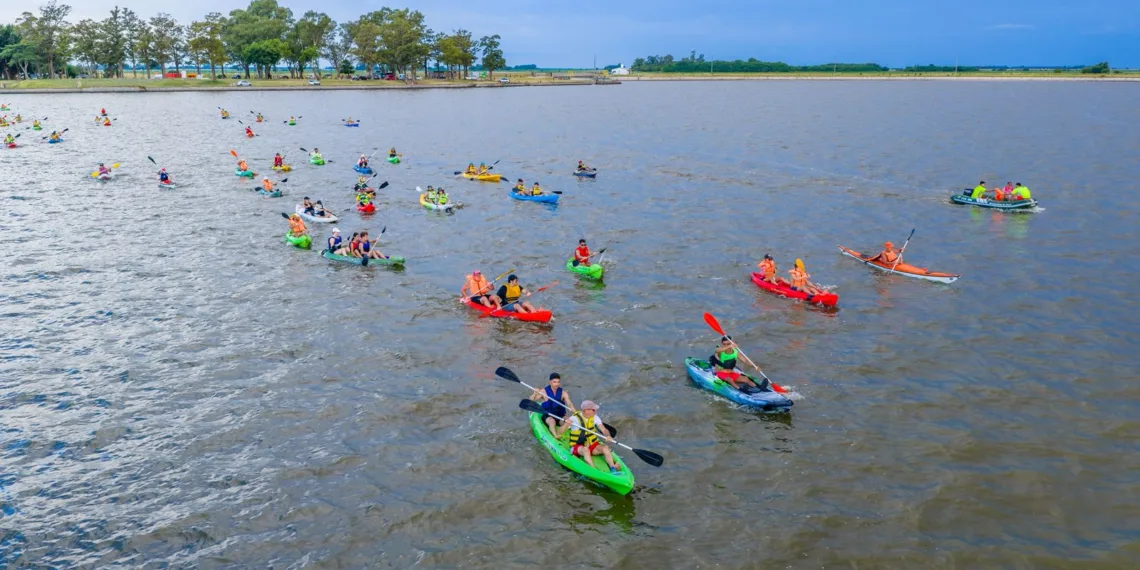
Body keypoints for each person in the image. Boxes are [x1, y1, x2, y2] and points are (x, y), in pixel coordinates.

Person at [556, 400, 621, 474]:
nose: (595, 411)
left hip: (591, 445)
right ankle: (594, 470)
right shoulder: (574, 419)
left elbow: (603, 429)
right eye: (593, 410)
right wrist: (565, 424)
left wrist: (608, 436)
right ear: (586, 410)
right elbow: (560, 432)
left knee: (605, 448)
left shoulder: (595, 417)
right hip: (578, 447)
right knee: (586, 450)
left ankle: (613, 468)